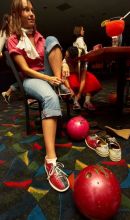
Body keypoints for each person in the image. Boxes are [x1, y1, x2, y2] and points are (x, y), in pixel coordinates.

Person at [7, 0, 70, 192]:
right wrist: (48, 78)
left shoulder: (41, 38)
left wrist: (64, 63)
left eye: (32, 10)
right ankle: (50, 161)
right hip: (31, 79)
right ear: (17, 15)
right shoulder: (13, 39)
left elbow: (54, 55)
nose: (32, 13)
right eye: (26, 10)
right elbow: (25, 69)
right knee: (50, 98)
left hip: (48, 74)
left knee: (52, 38)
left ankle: (58, 86)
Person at [64, 46, 102, 110]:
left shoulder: (82, 60)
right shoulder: (65, 61)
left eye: (68, 57)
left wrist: (80, 93)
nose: (67, 58)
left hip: (79, 76)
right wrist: (69, 89)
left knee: (90, 78)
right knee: (72, 80)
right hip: (69, 76)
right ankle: (75, 101)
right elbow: (64, 77)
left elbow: (83, 79)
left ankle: (87, 101)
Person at [0, 14, 19, 103]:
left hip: (19, 57)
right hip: (11, 59)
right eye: (12, 20)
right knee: (26, 75)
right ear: (7, 22)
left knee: (24, 77)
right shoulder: (4, 32)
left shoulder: (16, 32)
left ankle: (7, 93)